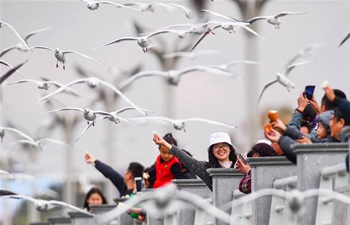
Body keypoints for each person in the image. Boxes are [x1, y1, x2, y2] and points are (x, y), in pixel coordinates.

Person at [152, 131, 237, 191]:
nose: (221, 149)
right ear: (212, 151)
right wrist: (164, 143)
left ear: (230, 148)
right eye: (216, 146)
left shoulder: (240, 165)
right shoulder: (207, 170)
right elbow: (186, 159)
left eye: (224, 145)